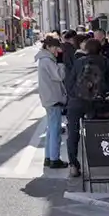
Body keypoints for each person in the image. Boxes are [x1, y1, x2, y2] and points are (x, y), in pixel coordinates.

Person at [64, 37, 109, 177]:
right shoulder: (105, 62)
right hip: (98, 102)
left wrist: (75, 97)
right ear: (100, 50)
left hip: (77, 103)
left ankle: (73, 165)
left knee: (73, 132)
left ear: (86, 50)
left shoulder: (78, 62)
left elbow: (69, 83)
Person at [36, 34, 68, 169]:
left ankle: (48, 157)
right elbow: (59, 76)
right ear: (48, 47)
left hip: (48, 97)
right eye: (55, 48)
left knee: (51, 129)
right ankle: (54, 159)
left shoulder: (44, 59)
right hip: (53, 98)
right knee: (55, 130)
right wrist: (61, 62)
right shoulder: (47, 61)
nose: (57, 50)